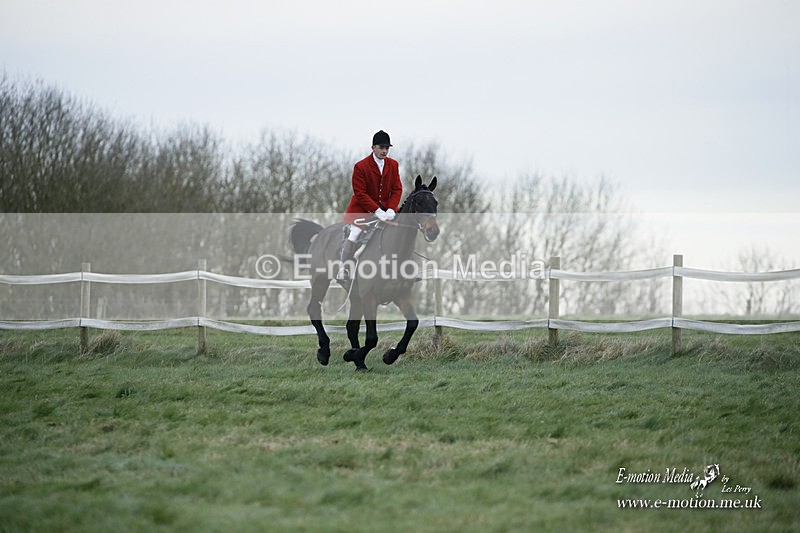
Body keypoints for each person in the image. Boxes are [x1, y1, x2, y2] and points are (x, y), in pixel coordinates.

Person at [338, 130, 403, 280]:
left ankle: (404, 268)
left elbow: (397, 189)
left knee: (401, 231)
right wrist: (377, 210)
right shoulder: (361, 166)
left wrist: (391, 208)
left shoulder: (393, 165)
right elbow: (360, 194)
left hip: (386, 210)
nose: (384, 151)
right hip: (362, 210)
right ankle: (345, 269)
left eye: (387, 148)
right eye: (381, 147)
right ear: (373, 147)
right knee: (355, 233)